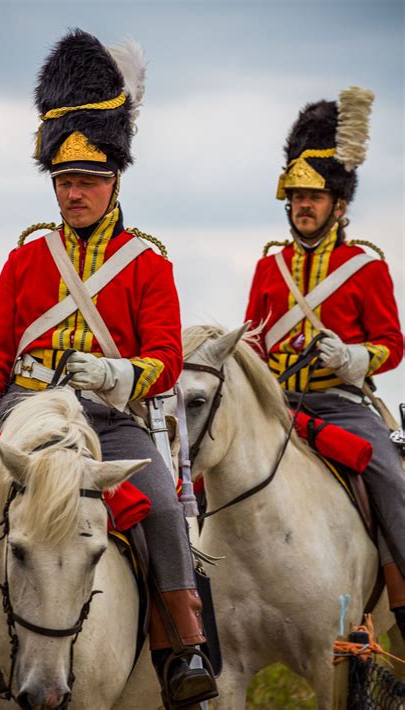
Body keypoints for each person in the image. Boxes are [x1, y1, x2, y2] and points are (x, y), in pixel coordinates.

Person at [0, 29, 218, 707]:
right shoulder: (27, 257)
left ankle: (184, 652)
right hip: (22, 411)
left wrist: (114, 375)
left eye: (86, 181)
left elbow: (168, 362)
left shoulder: (149, 262)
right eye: (64, 182)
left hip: (108, 423)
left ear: (113, 180)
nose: (73, 194)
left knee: (165, 520)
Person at [244, 87, 405, 635]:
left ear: (339, 205)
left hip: (342, 404)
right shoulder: (270, 268)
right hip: (279, 404)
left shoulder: (365, 267)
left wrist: (353, 357)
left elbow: (392, 344)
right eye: (295, 197)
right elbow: (253, 341)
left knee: (390, 477)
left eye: (313, 198)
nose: (302, 207)